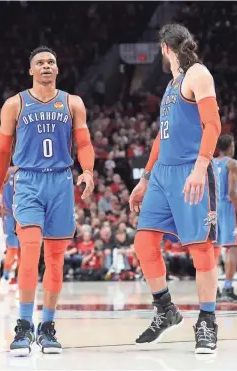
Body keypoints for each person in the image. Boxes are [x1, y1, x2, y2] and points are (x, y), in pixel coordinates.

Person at [0, 46, 95, 355]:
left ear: (57, 69)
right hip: (29, 182)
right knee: (30, 250)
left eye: (51, 62)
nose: (46, 66)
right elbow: (2, 152)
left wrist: (87, 170)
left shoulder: (72, 102)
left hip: (61, 181)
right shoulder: (15, 104)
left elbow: (85, 142)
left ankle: (47, 326)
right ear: (30, 70)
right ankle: (23, 325)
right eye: (40, 63)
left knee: (56, 258)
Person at [129, 23, 221, 354]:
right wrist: (145, 178)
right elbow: (161, 136)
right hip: (163, 175)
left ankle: (208, 321)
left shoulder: (198, 74)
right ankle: (166, 309)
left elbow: (213, 125)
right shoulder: (171, 85)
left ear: (165, 48)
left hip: (189, 170)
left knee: (200, 249)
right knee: (143, 242)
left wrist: (200, 167)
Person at [215, 135, 237, 302]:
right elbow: (231, 192)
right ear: (230, 146)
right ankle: (228, 289)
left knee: (212, 250)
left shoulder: (209, 163)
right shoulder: (232, 163)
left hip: (211, 208)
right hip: (227, 207)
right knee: (232, 248)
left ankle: (212, 289)